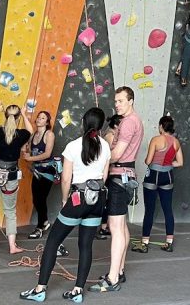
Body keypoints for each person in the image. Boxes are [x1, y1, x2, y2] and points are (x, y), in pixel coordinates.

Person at [20, 107, 111, 303]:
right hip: (97, 199)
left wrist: (64, 200)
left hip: (78, 198)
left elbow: (66, 179)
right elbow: (104, 177)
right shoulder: (105, 146)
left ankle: (40, 290)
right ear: (101, 125)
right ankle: (77, 291)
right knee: (85, 245)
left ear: (84, 123)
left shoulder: (73, 146)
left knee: (53, 241)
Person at [90, 87, 143, 292]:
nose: (117, 104)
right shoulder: (133, 120)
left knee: (115, 227)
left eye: (121, 101)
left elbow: (117, 154)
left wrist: (96, 159)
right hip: (125, 176)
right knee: (121, 226)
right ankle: (118, 270)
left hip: (119, 177)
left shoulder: (129, 122)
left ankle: (112, 278)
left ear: (131, 101)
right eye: (116, 101)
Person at [0, 101, 33, 256]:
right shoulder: (21, 135)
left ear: (5, 116)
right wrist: (24, 114)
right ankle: (12, 246)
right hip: (10, 175)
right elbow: (30, 130)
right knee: (10, 211)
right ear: (18, 117)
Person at [131, 116, 183, 253]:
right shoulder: (176, 142)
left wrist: (156, 162)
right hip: (168, 176)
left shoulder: (155, 140)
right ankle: (169, 243)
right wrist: (167, 164)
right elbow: (180, 162)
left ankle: (144, 243)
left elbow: (148, 161)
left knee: (149, 210)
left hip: (153, 176)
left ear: (161, 126)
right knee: (168, 209)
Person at [24, 111, 57, 240]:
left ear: (47, 122)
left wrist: (30, 158)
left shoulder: (49, 134)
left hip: (47, 170)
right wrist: (25, 151)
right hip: (37, 170)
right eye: (38, 117)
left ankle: (40, 226)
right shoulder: (33, 135)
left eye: (42, 118)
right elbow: (28, 150)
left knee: (41, 198)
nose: (39, 119)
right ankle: (45, 222)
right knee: (36, 199)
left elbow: (47, 154)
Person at [96, 114, 122, 240]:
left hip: (109, 171)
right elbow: (109, 156)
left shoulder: (110, 135)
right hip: (108, 171)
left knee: (107, 200)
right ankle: (103, 227)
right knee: (106, 200)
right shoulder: (110, 136)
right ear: (116, 125)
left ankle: (104, 226)